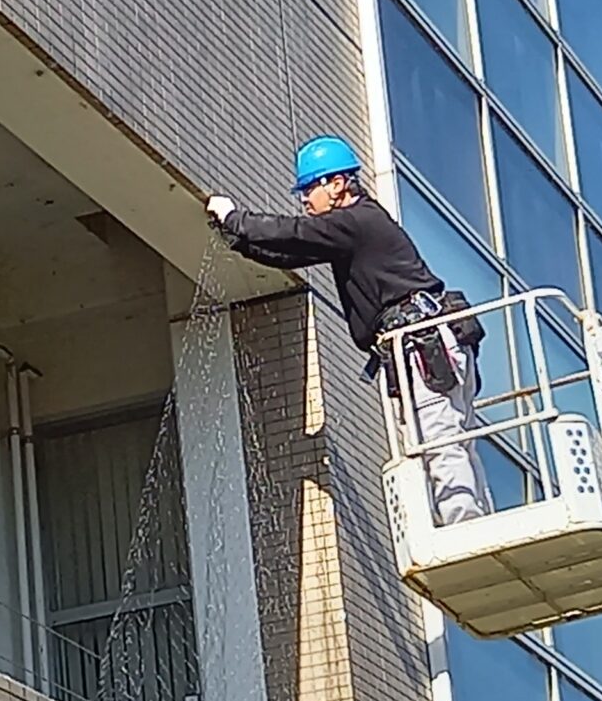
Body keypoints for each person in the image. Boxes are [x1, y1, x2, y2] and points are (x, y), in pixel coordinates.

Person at [206, 137, 494, 525]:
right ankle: (470, 521)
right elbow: (292, 252)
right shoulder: (356, 228)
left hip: (423, 342)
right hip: (433, 339)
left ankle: (464, 529)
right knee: (451, 440)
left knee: (438, 442)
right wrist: (240, 241)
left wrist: (234, 218)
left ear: (338, 184)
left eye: (310, 188)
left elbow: (291, 233)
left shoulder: (357, 221)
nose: (305, 199)